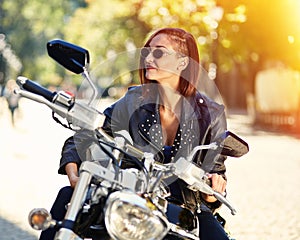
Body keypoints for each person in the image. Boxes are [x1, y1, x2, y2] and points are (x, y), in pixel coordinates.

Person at [40, 27, 229, 240]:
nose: (149, 56)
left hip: (185, 210)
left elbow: (216, 174)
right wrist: (75, 175)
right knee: (67, 196)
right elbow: (86, 136)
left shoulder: (211, 114)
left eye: (159, 52)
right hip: (131, 198)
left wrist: (213, 192)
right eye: (146, 51)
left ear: (182, 62)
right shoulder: (134, 101)